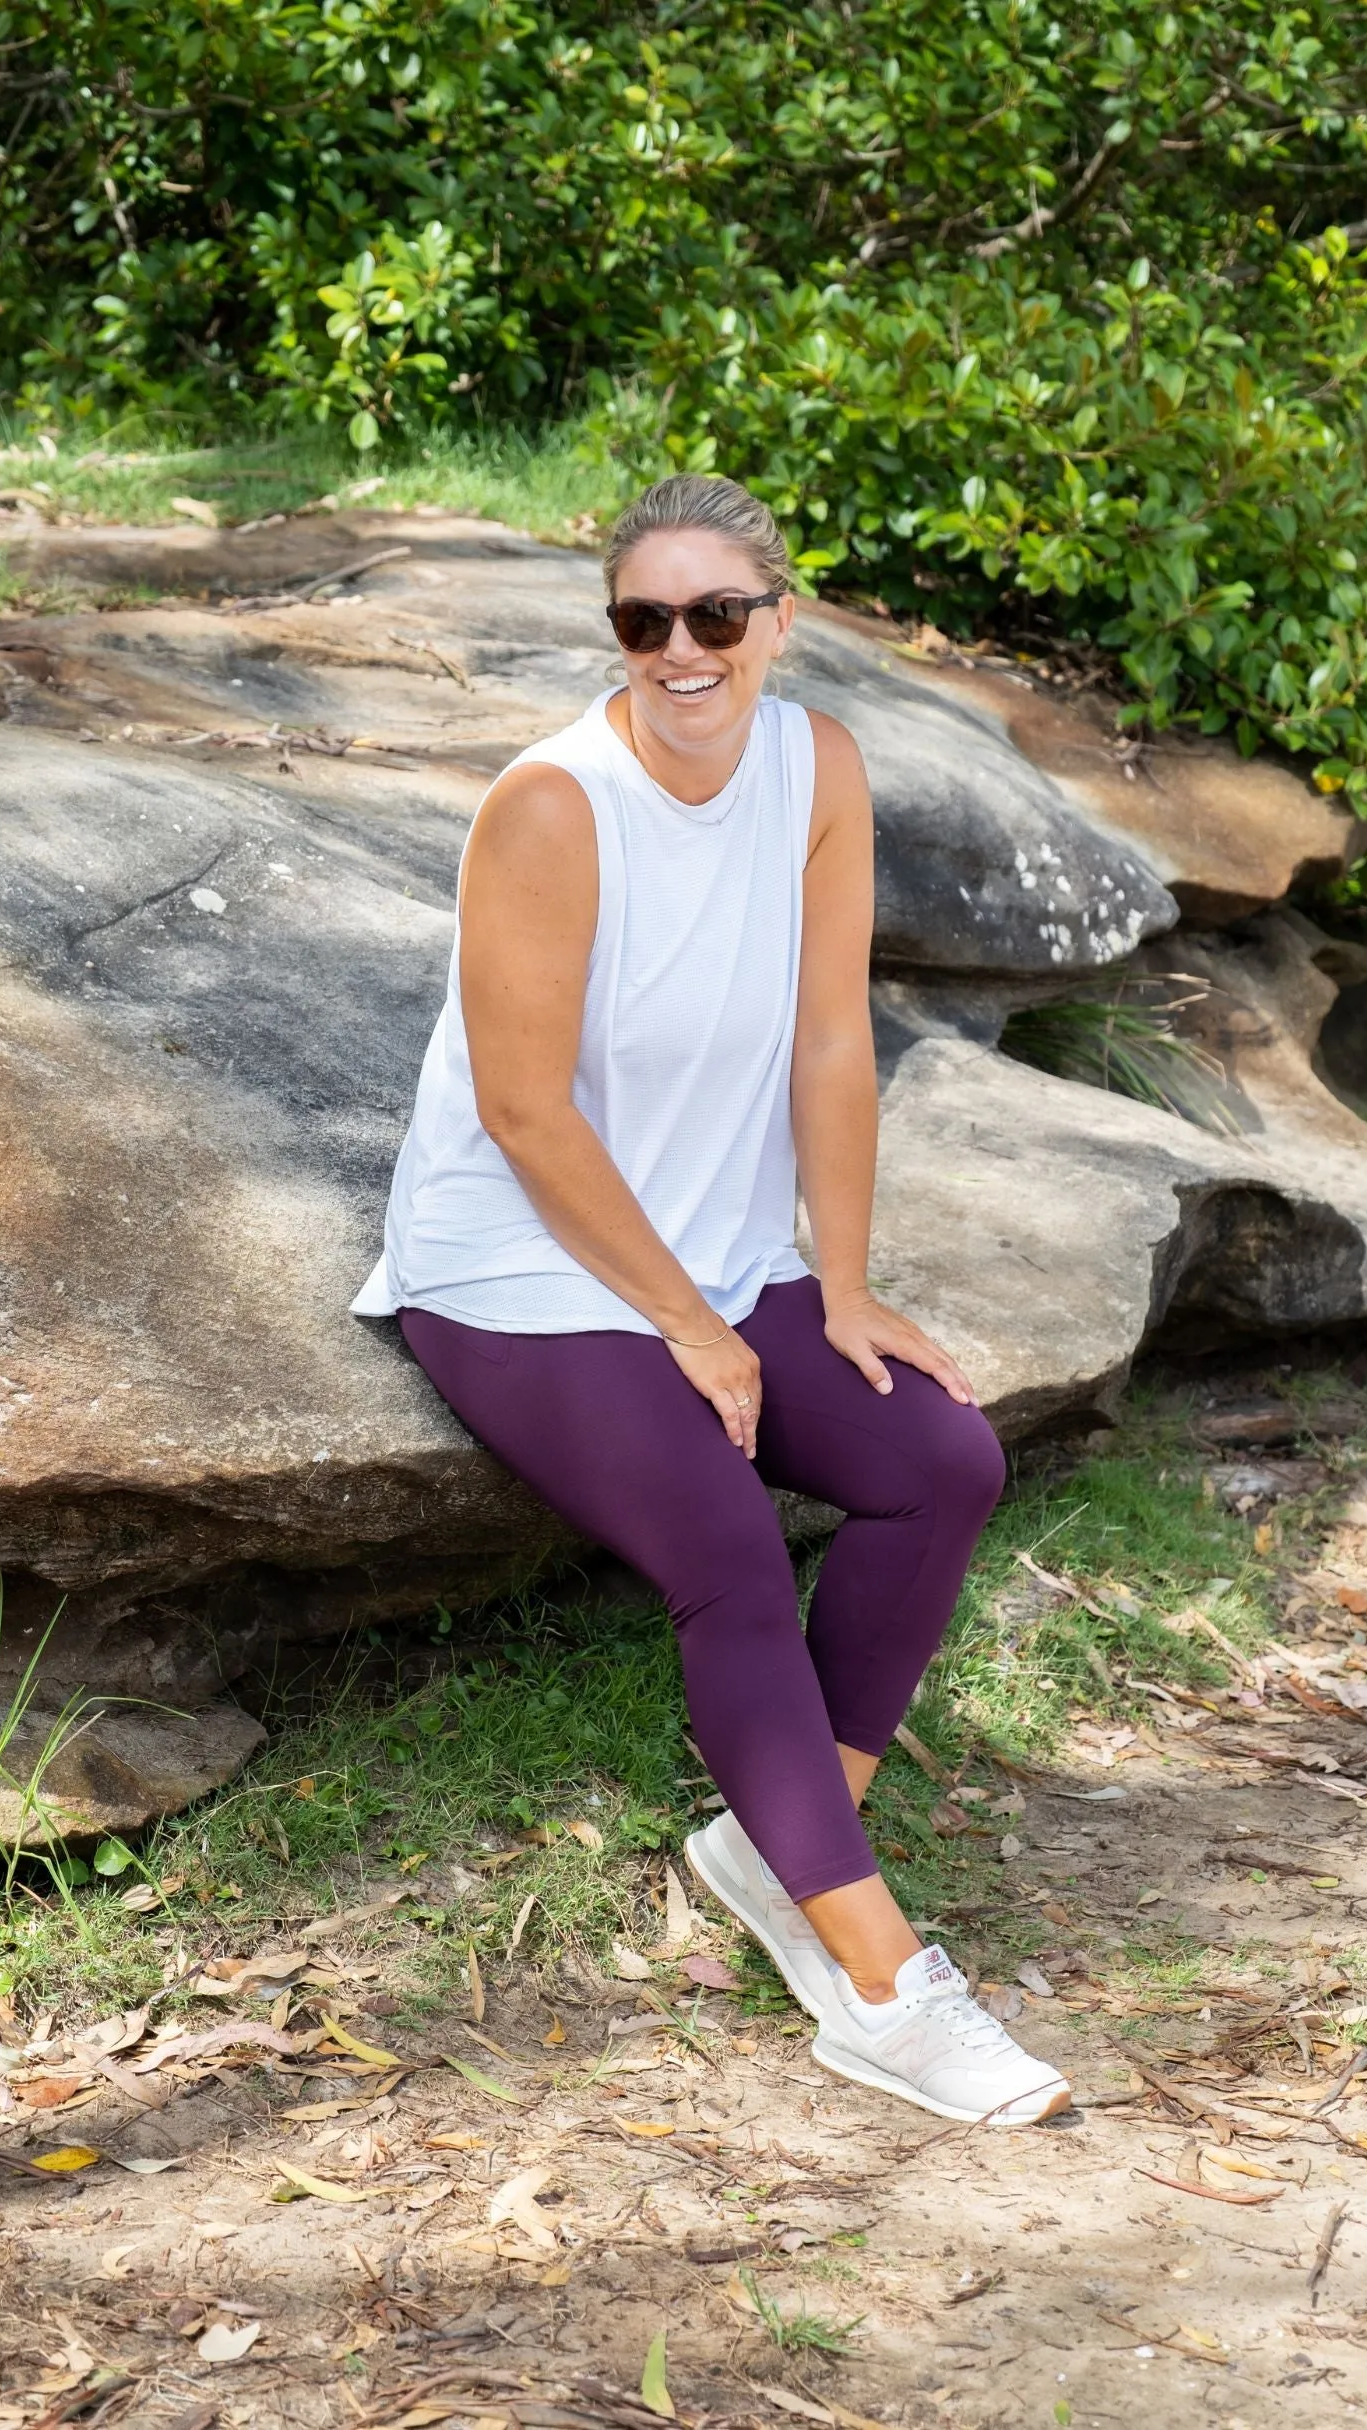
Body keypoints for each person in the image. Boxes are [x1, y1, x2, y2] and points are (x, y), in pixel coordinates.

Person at [353, 473, 1070, 2125]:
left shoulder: (818, 766)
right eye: (644, 619)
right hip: (520, 1262)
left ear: (777, 625)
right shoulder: (551, 804)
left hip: (723, 1255)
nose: (682, 649)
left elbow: (831, 1038)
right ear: (619, 634)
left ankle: (775, 1837)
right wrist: (687, 1326)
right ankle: (881, 1983)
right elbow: (527, 1113)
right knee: (730, 1545)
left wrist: (843, 1281)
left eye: (717, 615)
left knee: (942, 1460)